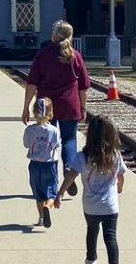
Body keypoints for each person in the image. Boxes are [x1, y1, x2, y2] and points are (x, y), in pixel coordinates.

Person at [54, 114, 125, 264]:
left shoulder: (82, 157)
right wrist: (119, 188)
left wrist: (60, 193)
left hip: (90, 205)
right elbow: (121, 175)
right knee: (111, 237)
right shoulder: (115, 155)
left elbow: (71, 175)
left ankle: (91, 260)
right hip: (110, 206)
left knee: (92, 231)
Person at [21, 20, 90, 197]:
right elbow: (83, 87)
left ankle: (46, 180)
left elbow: (32, 84)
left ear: (55, 34)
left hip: (46, 105)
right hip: (69, 104)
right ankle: (68, 168)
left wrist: (26, 107)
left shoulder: (43, 55)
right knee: (69, 140)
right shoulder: (75, 56)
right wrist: (83, 108)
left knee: (46, 139)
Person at [22, 96, 60, 228]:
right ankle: (48, 207)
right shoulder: (53, 130)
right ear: (50, 114)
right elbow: (56, 145)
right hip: (49, 164)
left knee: (38, 193)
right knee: (52, 192)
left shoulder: (29, 130)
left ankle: (41, 218)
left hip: (34, 165)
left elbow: (26, 144)